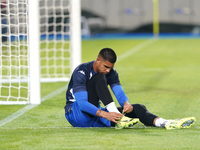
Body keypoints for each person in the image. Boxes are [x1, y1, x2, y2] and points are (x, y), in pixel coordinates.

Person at [64, 48, 196, 129]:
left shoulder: (111, 72)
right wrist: (106, 114)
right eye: (105, 66)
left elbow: (119, 92)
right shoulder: (82, 71)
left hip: (96, 115)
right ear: (97, 60)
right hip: (76, 113)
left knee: (138, 108)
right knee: (99, 78)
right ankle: (118, 118)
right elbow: (81, 104)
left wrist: (126, 104)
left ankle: (165, 123)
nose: (108, 70)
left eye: (110, 67)